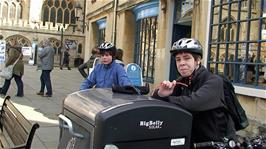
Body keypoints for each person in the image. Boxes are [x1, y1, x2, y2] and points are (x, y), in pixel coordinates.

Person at [151, 38, 236, 145]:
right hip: (191, 141)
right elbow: (155, 103)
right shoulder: (181, 81)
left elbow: (194, 103)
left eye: (187, 58)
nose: (181, 63)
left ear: (198, 60)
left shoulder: (214, 81)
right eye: (178, 59)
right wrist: (160, 93)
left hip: (215, 143)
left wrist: (165, 98)